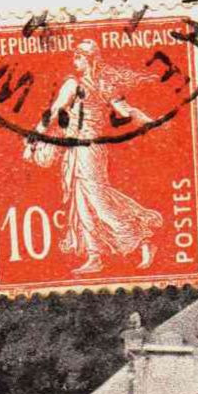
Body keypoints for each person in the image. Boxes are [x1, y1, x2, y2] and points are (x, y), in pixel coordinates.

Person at [27, 38, 164, 275]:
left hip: (90, 149)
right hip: (77, 149)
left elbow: (125, 110)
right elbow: (54, 112)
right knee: (82, 202)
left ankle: (142, 239)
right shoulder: (78, 84)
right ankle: (95, 255)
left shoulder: (95, 84)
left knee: (98, 201)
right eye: (75, 56)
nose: (75, 61)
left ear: (89, 59)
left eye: (79, 56)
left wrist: (152, 122)